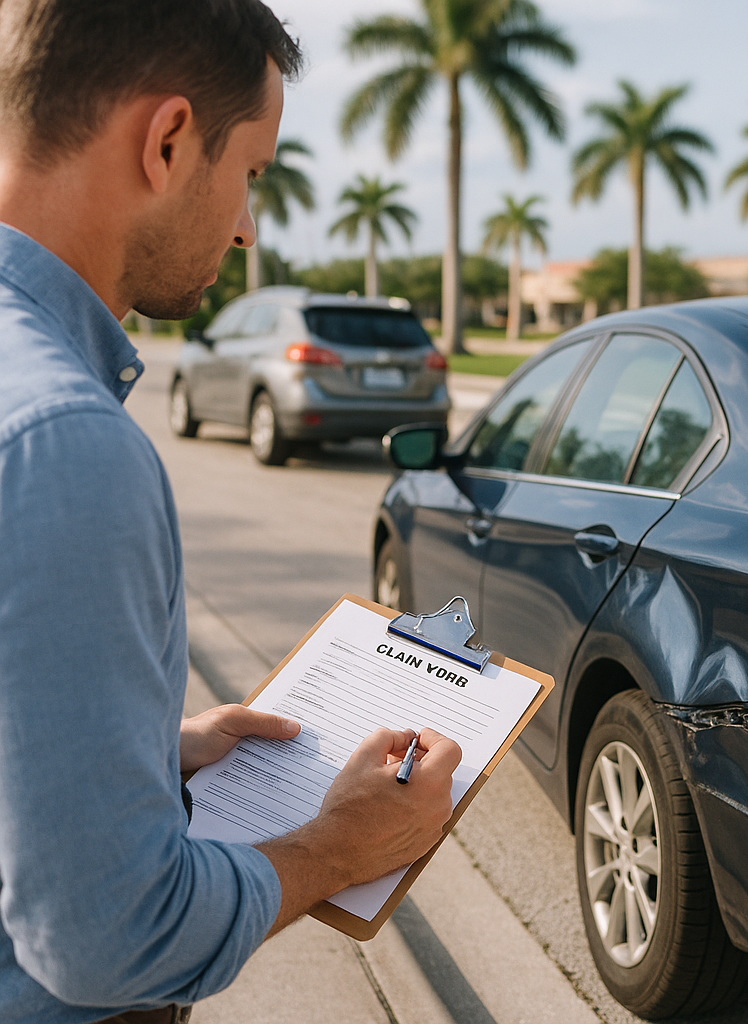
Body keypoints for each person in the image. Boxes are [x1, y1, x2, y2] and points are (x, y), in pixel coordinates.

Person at [0, 3, 462, 1023]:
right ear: (167, 142)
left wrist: (138, 747)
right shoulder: (63, 438)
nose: (249, 223)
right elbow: (109, 936)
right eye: (251, 170)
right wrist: (340, 843)